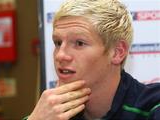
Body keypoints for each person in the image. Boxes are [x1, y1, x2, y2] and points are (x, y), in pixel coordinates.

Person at [26, 0, 160, 119]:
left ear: (117, 52)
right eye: (58, 43)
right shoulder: (49, 114)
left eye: (79, 43)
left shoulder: (153, 107)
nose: (60, 55)